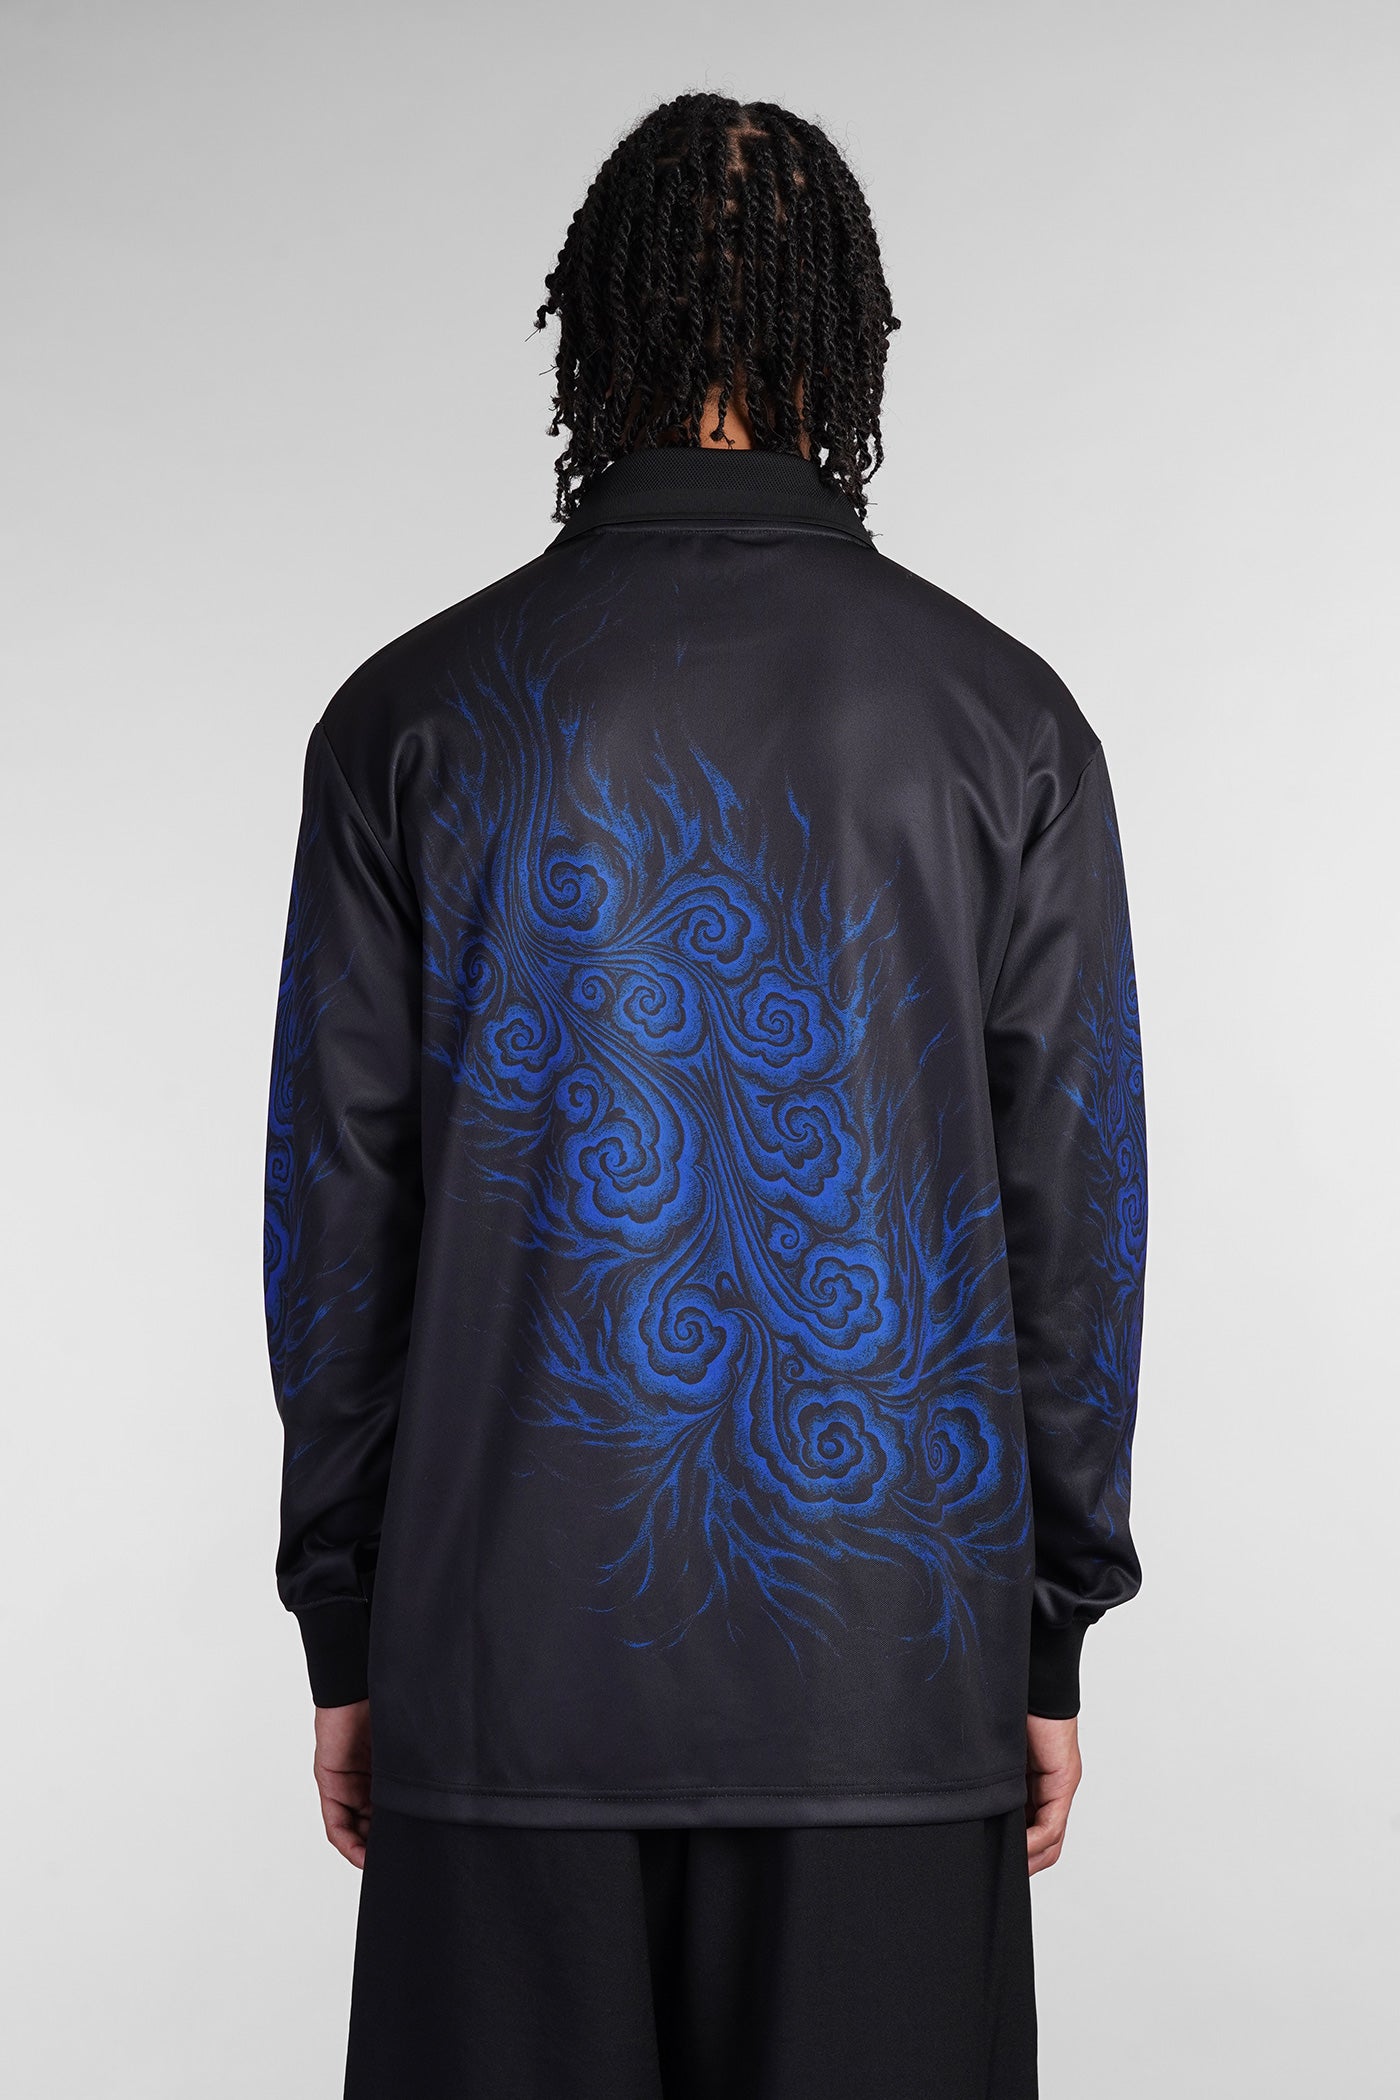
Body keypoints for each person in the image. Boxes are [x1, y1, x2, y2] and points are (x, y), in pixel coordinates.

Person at [263, 90, 1147, 2100]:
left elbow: (337, 1207)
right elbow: (1072, 1208)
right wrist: (1045, 1632)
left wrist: (348, 1624)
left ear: (596, 333)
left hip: (499, 1672)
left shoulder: (416, 715)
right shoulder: (1001, 719)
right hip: (889, 1673)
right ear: (847, 345)